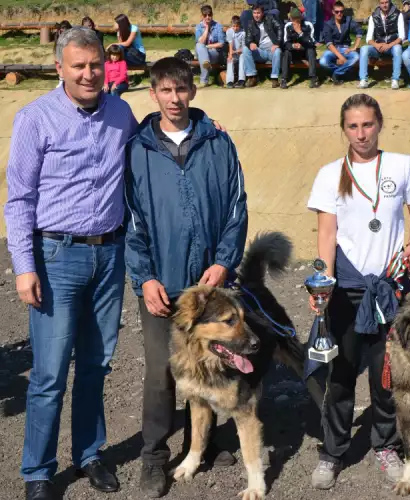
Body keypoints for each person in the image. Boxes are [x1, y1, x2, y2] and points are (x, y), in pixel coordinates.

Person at [5, 27, 138, 500]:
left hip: (110, 253)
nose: (88, 73)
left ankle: (89, 454)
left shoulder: (122, 113)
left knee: (98, 365)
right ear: (59, 67)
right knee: (49, 372)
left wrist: (205, 125)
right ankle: (38, 472)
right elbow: (19, 198)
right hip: (56, 255)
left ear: (107, 64)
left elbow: (151, 153)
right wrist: (24, 266)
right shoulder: (35, 119)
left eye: (95, 64)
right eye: (78, 65)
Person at [124, 57, 248, 498]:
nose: (174, 99)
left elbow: (236, 207)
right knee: (161, 370)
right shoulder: (138, 148)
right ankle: (154, 457)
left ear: (192, 91)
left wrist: (224, 262)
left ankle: (207, 443)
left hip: (210, 283)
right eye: (165, 91)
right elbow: (132, 217)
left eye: (181, 90)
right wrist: (145, 278)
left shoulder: (217, 141)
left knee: (216, 361)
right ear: (153, 94)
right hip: (162, 285)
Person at [306, 93, 410, 490]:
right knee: (340, 374)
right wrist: (323, 281)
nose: (361, 133)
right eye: (353, 126)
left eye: (368, 124)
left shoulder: (402, 165)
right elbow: (327, 233)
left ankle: (386, 445)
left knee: (386, 375)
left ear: (380, 124)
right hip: (348, 288)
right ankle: (333, 451)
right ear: (344, 129)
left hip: (391, 288)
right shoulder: (330, 173)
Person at [358, 0, 405, 89]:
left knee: (398, 48)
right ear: (379, 4)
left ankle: (395, 80)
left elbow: (402, 36)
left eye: (386, 2)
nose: (384, 5)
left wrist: (389, 45)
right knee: (364, 48)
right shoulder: (373, 16)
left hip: (392, 46)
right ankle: (363, 80)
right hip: (378, 47)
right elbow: (368, 38)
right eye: (382, 3)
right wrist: (376, 45)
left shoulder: (398, 14)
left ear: (390, 2)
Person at [320, 1, 363, 84]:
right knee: (323, 62)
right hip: (333, 49)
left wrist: (354, 46)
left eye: (341, 11)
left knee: (356, 57)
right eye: (337, 12)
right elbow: (329, 44)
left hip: (345, 48)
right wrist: (341, 57)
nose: (339, 13)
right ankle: (343, 71)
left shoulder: (348, 20)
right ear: (333, 12)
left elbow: (359, 31)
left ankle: (336, 73)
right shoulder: (328, 24)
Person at [243, 4, 283, 87]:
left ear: (262, 13)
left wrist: (277, 43)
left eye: (258, 13)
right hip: (260, 52)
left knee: (278, 51)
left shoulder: (270, 18)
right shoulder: (251, 23)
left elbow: (280, 28)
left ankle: (274, 79)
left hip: (272, 51)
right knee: (245, 49)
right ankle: (252, 77)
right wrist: (250, 43)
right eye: (254, 13)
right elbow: (247, 39)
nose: (256, 15)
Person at [281, 8, 319, 89]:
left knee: (311, 50)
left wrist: (300, 33)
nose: (296, 21)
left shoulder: (308, 25)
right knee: (287, 52)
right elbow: (285, 43)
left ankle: (313, 78)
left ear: (301, 17)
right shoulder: (288, 26)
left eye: (297, 18)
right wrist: (293, 46)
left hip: (305, 51)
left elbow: (311, 42)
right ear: (290, 18)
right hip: (294, 52)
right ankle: (284, 79)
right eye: (293, 19)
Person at [195, 5, 226, 87]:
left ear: (212, 14)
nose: (208, 17)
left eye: (209, 15)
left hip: (214, 54)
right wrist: (207, 28)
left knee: (204, 56)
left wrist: (207, 46)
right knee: (199, 45)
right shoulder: (199, 27)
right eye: (205, 15)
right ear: (202, 16)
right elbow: (200, 41)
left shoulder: (218, 26)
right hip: (201, 53)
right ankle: (206, 62)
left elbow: (221, 43)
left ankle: (203, 81)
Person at [226, 15, 246, 88]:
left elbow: (244, 47)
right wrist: (231, 54)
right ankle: (229, 81)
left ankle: (241, 80)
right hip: (233, 52)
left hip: (241, 52)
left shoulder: (243, 33)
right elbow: (230, 44)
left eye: (237, 26)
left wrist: (237, 51)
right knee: (230, 59)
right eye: (233, 26)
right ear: (231, 25)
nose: (235, 28)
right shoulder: (229, 31)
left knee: (242, 58)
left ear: (239, 25)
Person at [54, 20, 72, 88]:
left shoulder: (71, 36)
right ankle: (61, 81)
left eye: (65, 28)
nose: (63, 30)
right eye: (62, 28)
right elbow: (56, 46)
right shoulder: (58, 36)